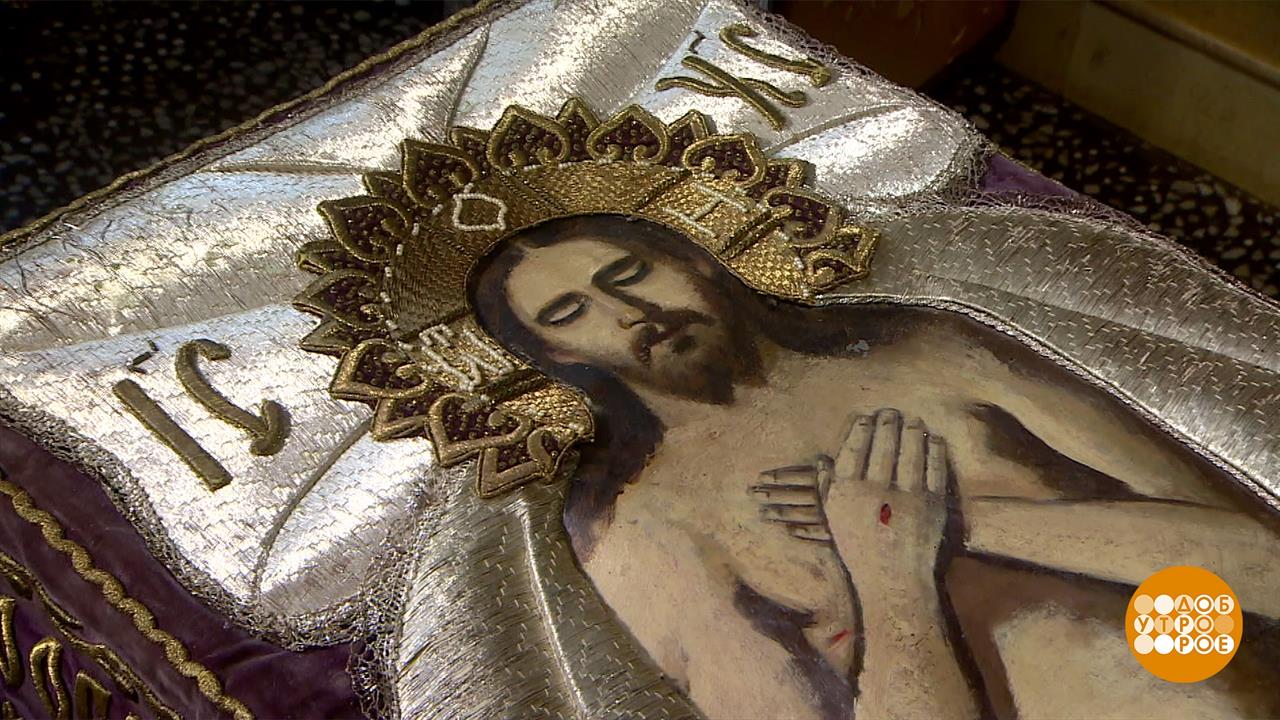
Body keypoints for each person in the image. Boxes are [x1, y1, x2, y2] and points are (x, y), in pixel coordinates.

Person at [471, 214, 1280, 719]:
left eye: (630, 273)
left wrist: (964, 520)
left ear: (698, 260)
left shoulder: (935, 357)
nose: (633, 314)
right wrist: (892, 580)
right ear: (558, 356)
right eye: (573, 312)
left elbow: (1265, 570)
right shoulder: (649, 528)